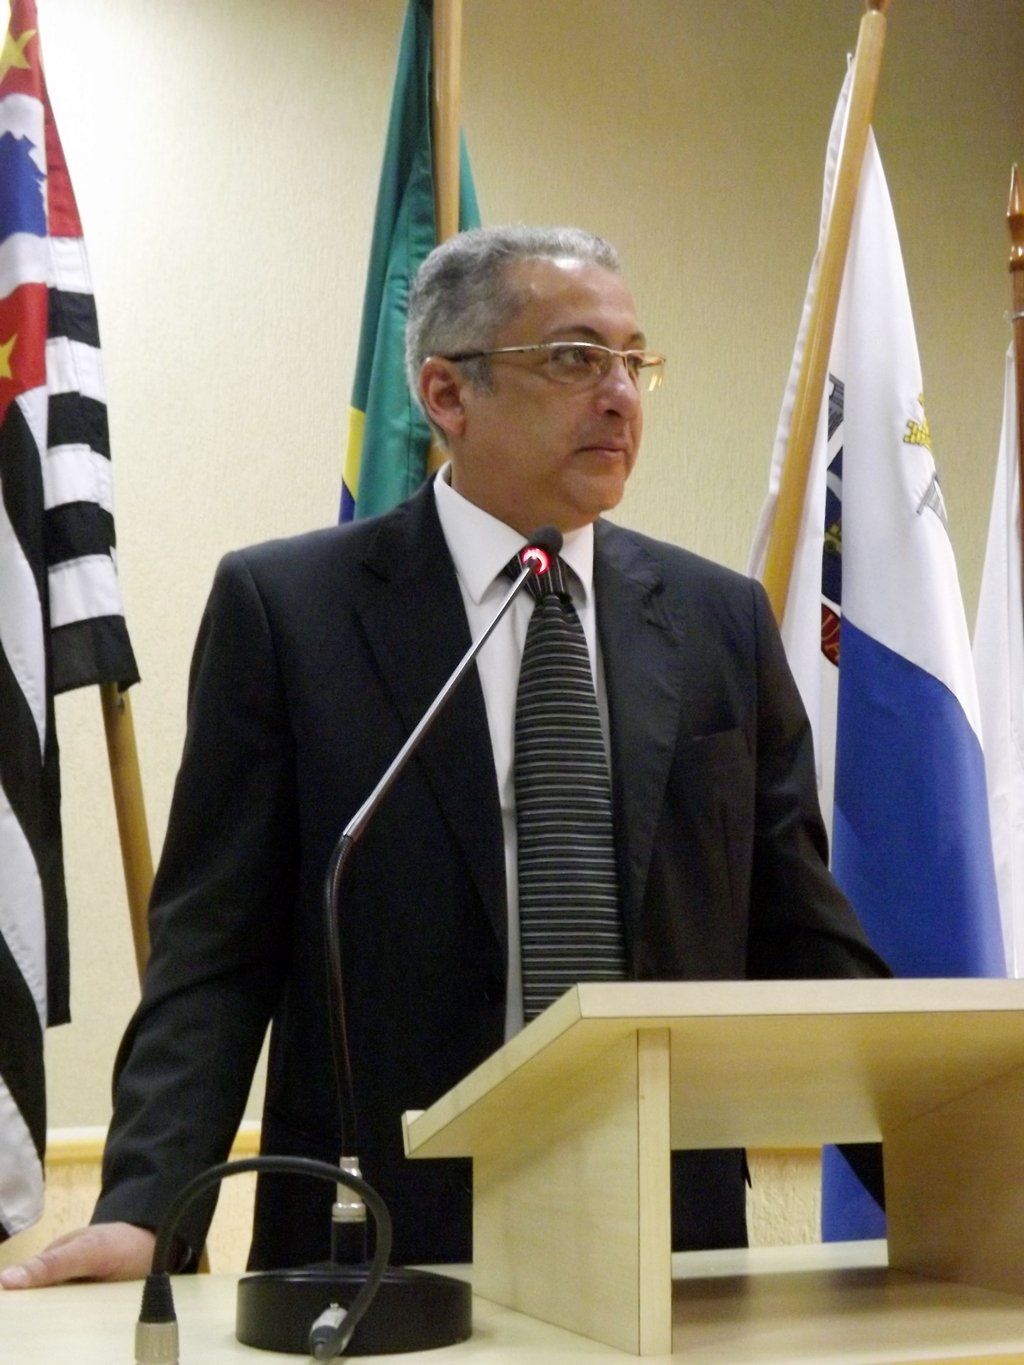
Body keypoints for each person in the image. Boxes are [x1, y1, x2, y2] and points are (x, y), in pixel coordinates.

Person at [1, 226, 886, 1290]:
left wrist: (955, 1177)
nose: (620, 396)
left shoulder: (718, 622)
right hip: (378, 1234)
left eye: (632, 359)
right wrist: (149, 1210)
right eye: (575, 358)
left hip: (665, 1234)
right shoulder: (291, 612)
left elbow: (800, 935)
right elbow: (214, 953)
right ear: (446, 394)